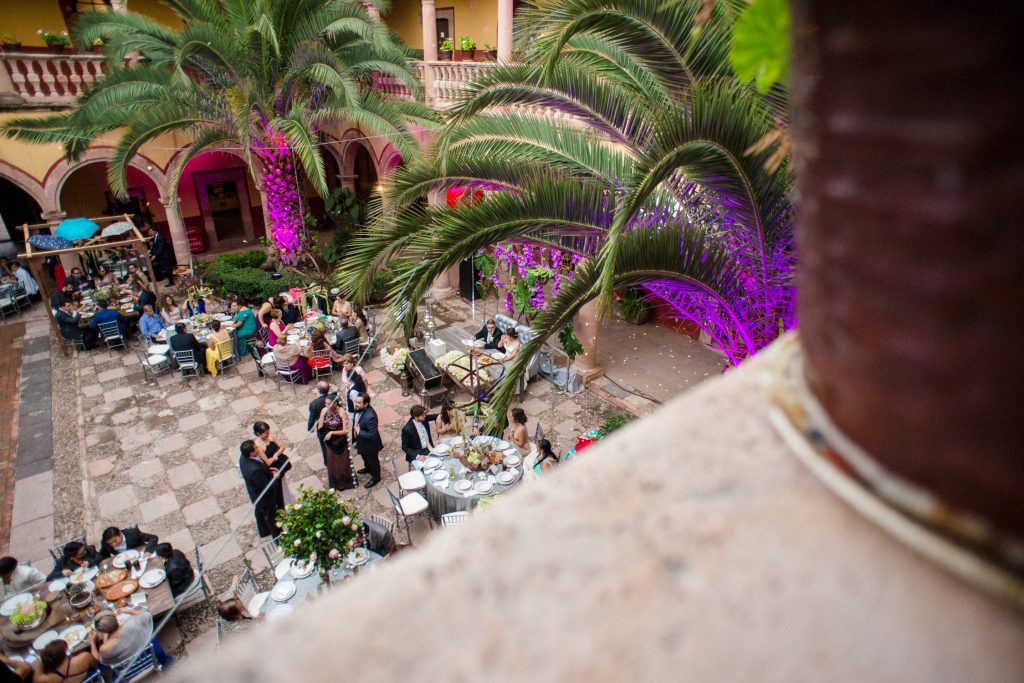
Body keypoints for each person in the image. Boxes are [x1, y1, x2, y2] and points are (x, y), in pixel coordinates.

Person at [238, 440, 285, 538]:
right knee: (272, 518)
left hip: (255, 494)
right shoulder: (255, 470)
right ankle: (279, 538)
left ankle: (264, 532)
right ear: (250, 453)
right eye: (256, 448)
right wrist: (275, 477)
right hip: (264, 498)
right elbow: (267, 486)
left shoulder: (243, 458)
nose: (258, 449)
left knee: (260, 512)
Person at [92, 609, 170, 667]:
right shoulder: (133, 624)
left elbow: (99, 659)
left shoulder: (104, 648)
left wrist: (92, 642)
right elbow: (147, 615)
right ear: (116, 619)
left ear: (102, 631)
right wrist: (127, 610)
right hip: (148, 657)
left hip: (130, 669)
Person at [253, 421, 293, 503]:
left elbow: (282, 446)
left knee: (283, 483)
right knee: (278, 486)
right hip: (273, 467)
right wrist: (273, 459)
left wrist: (276, 454)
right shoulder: (258, 445)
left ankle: (287, 499)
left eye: (268, 432)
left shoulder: (271, 437)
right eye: (265, 433)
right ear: (258, 433)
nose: (267, 435)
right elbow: (267, 462)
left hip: (279, 462)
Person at [318, 399, 353, 490]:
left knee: (343, 461)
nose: (326, 405)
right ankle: (335, 483)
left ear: (335, 403)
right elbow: (320, 426)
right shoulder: (324, 410)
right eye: (326, 403)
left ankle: (345, 482)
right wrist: (324, 432)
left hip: (340, 440)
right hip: (329, 441)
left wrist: (332, 433)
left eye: (329, 403)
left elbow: (345, 431)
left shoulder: (341, 412)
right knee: (332, 462)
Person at [33, 639, 98, 683]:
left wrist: (41, 659)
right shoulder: (83, 658)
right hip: (91, 680)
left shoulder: (47, 679)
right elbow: (96, 662)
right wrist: (92, 642)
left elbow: (36, 675)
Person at [352, 393, 382, 488]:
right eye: (356, 401)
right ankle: (368, 468)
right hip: (362, 442)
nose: (356, 404)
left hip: (371, 445)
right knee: (364, 457)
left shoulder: (370, 416)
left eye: (359, 403)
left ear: (366, 404)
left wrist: (359, 432)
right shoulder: (359, 409)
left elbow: (373, 435)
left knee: (373, 461)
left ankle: (376, 477)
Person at [307, 381, 336, 466]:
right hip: (334, 425)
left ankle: (327, 462)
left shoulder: (314, 404)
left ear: (318, 390)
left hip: (322, 428)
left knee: (324, 446)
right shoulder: (333, 397)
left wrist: (310, 427)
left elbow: (311, 418)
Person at [401, 405, 436, 470]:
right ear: (416, 417)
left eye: (424, 414)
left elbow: (435, 416)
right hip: (418, 452)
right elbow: (404, 447)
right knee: (427, 469)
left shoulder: (423, 419)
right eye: (423, 415)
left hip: (429, 447)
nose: (425, 416)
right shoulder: (407, 429)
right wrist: (417, 457)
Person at [340, 355, 368, 424]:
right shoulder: (345, 369)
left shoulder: (358, 369)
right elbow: (343, 378)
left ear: (352, 363)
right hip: (350, 389)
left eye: (347, 363)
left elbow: (365, 380)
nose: (345, 365)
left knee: (359, 403)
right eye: (343, 363)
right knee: (349, 402)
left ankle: (362, 416)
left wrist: (366, 392)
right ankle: (352, 417)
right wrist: (346, 382)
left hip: (359, 389)